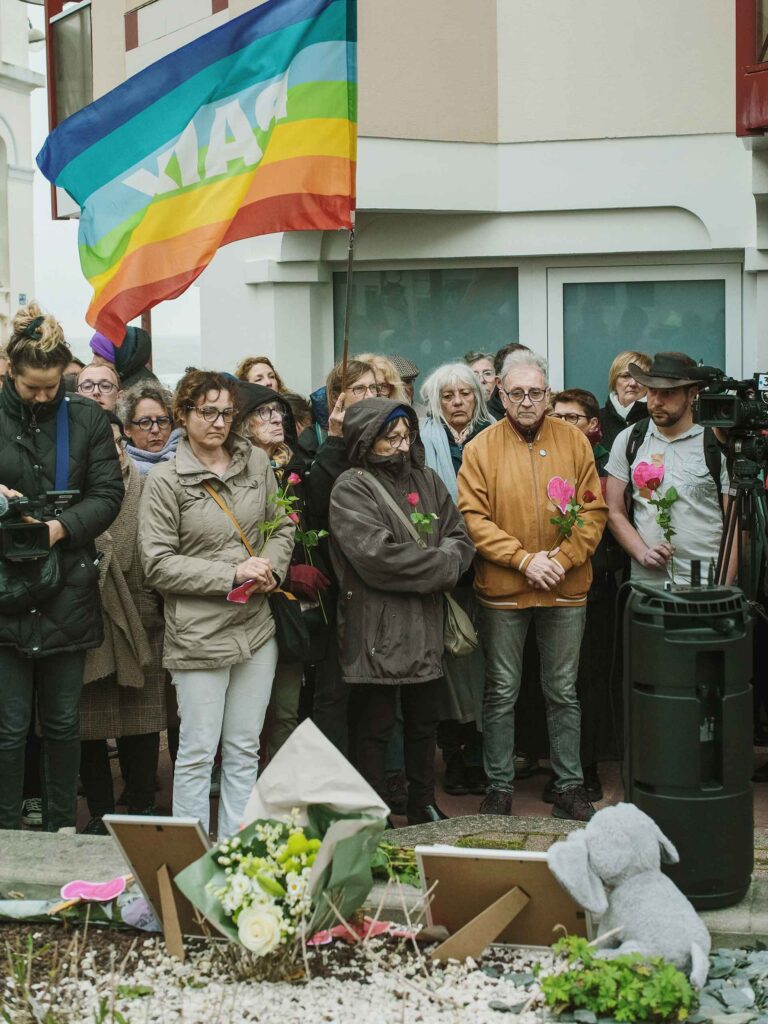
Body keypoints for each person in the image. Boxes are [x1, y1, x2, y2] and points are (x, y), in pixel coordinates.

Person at [138, 370, 294, 837]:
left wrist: (270, 564)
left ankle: (235, 854)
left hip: (255, 627)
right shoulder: (165, 480)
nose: (219, 421)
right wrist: (232, 572)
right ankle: (191, 861)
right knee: (198, 752)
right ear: (183, 416)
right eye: (207, 411)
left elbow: (282, 525)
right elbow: (157, 564)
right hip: (198, 633)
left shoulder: (257, 465)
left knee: (245, 747)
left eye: (227, 411)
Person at [458, 350, 607, 821]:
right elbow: (472, 518)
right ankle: (498, 787)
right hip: (504, 588)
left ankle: (569, 786)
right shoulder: (480, 447)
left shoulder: (574, 442)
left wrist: (559, 560)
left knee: (563, 690)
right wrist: (524, 560)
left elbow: (593, 511)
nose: (526, 401)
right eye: (517, 393)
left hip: (565, 585)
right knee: (501, 690)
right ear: (500, 395)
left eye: (536, 393)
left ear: (549, 396)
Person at [0, 302, 123, 832]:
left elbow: (108, 494)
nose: (45, 397)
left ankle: (60, 833)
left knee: (63, 724)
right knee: (7, 729)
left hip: (67, 589)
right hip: (4, 592)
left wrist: (58, 528)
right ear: (10, 371)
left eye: (53, 387)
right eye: (33, 388)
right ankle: (7, 835)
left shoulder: (88, 418)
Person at [329, 398, 475, 823]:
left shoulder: (427, 479)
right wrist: (443, 565)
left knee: (423, 723)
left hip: (425, 624)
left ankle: (422, 802)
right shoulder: (350, 488)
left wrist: (448, 557)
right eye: (389, 438)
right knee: (373, 728)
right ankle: (373, 812)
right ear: (364, 440)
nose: (400, 445)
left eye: (404, 436)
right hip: (376, 625)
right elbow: (377, 558)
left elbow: (461, 537)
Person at [79, 411, 166, 834]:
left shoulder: (150, 487)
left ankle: (140, 807)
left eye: (113, 442)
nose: (108, 451)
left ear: (122, 443)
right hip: (87, 619)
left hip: (140, 615)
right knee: (87, 724)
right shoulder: (73, 492)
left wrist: (150, 604)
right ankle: (98, 813)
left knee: (143, 718)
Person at [234, 382, 328, 758]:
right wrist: (288, 574)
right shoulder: (235, 473)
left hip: (290, 604)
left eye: (280, 413)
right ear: (242, 424)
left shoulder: (295, 467)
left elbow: (307, 530)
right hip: (247, 604)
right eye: (264, 413)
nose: (277, 419)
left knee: (288, 706)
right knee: (247, 711)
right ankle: (239, 790)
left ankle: (278, 790)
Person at [419, 362, 493, 796]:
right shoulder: (422, 440)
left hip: (490, 563)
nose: (458, 402)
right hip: (444, 567)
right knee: (449, 661)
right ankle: (455, 755)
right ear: (436, 402)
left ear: (478, 398)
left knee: (485, 662)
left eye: (465, 394)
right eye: (448, 396)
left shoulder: (494, 434)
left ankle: (483, 754)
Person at [550, 388, 624, 802]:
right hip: (545, 585)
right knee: (554, 683)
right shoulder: (542, 460)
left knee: (586, 682)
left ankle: (587, 768)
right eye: (556, 416)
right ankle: (558, 766)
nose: (562, 424)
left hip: (593, 587)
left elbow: (614, 527)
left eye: (572, 418)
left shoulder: (604, 466)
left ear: (593, 425)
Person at [303, 358, 377, 754]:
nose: (368, 396)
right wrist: (334, 440)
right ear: (337, 397)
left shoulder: (388, 437)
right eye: (359, 389)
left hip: (378, 584)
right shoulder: (315, 442)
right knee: (332, 692)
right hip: (335, 586)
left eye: (373, 388)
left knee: (376, 697)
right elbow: (317, 503)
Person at [605, 352, 728, 588]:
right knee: (647, 626)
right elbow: (614, 509)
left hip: (702, 575)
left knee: (696, 624)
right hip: (646, 577)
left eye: (668, 393)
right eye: (652, 391)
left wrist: (724, 586)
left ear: (692, 394)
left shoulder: (714, 441)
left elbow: (735, 522)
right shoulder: (631, 439)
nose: (656, 401)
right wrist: (641, 553)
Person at [118, 382, 182, 476]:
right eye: (145, 422)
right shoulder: (119, 467)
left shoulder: (190, 458)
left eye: (162, 421)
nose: (155, 430)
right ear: (127, 429)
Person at [599, 351, 651, 450]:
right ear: (614, 381)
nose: (633, 383)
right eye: (626, 376)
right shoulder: (597, 420)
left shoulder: (657, 420)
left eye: (639, 377)